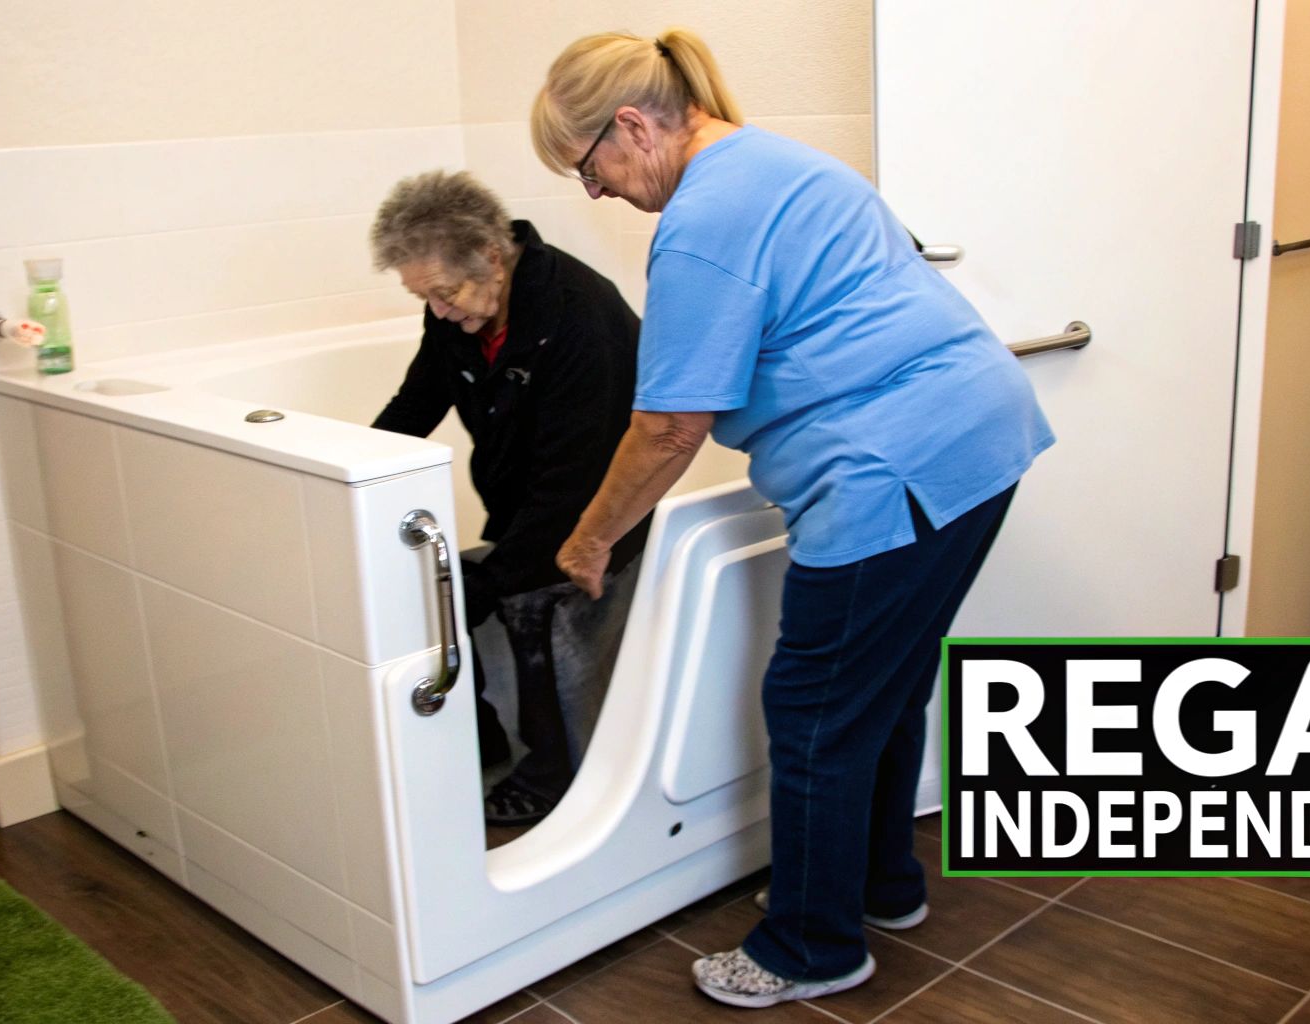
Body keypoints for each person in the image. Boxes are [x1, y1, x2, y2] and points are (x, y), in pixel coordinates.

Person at [531, 29, 1054, 1008]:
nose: (594, 193)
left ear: (632, 125)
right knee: (885, 684)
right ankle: (875, 883)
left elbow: (666, 426)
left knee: (812, 709)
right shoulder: (780, 161)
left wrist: (589, 536)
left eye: (587, 166)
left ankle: (807, 946)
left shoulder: (699, 219)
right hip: (977, 434)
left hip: (887, 468)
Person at [369, 170, 648, 826]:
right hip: (520, 502)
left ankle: (554, 773)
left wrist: (490, 582)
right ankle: (483, 734)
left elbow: (570, 488)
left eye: (443, 294)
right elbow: (416, 402)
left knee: (527, 607)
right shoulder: (459, 306)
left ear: (492, 257)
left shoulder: (578, 318)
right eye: (425, 298)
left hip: (598, 513)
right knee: (434, 594)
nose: (438, 311)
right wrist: (353, 473)